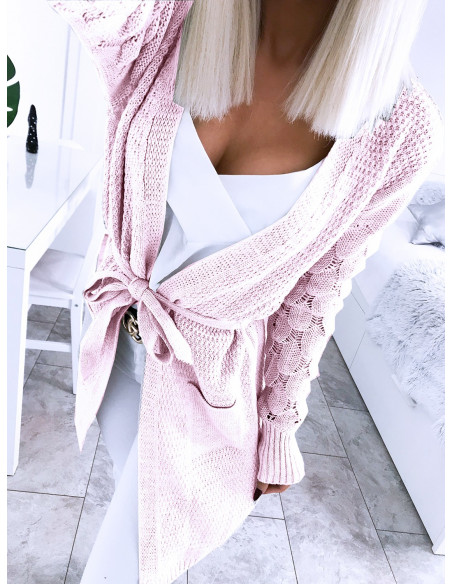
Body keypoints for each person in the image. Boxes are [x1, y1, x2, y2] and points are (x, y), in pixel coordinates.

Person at [46, 1, 442, 583]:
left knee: (129, 562)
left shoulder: (398, 130)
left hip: (207, 392)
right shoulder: (169, 15)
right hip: (111, 340)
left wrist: (280, 424)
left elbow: (317, 289)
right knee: (144, 526)